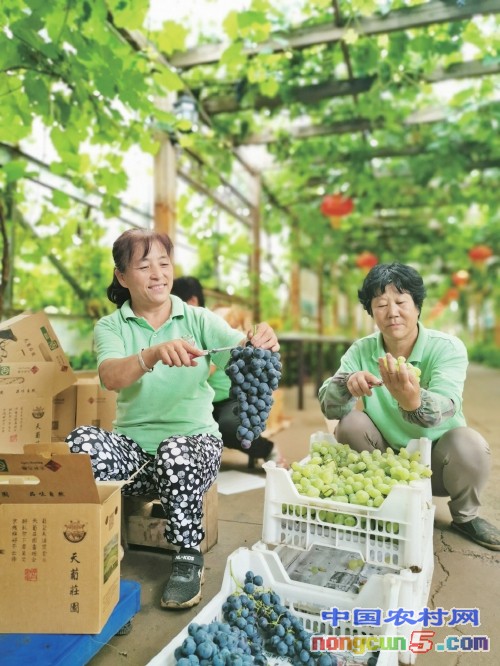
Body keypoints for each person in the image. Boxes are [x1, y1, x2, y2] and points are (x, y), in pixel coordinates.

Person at [65, 229, 279, 609]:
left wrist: (259, 342)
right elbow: (110, 376)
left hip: (192, 451)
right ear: (122, 276)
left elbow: (239, 355)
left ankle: (186, 558)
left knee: (175, 452)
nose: (158, 273)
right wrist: (151, 354)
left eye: (164, 263)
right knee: (78, 444)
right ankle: (100, 539)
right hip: (134, 455)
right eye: (144, 265)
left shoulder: (197, 318)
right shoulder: (111, 327)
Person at [319, 262, 500, 551]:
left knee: (471, 444)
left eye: (401, 302)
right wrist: (345, 385)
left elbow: (448, 403)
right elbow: (330, 408)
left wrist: (414, 401)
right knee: (350, 423)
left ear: (417, 306)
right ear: (371, 312)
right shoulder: (361, 350)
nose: (392, 312)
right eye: (380, 304)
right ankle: (383, 504)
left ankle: (466, 517)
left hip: (439, 464)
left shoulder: (447, 348)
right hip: (384, 462)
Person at [171, 277, 286, 467]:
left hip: (226, 399)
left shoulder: (210, 322)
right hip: (198, 401)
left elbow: (214, 365)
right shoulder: (176, 325)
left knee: (231, 426)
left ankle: (267, 449)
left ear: (191, 301)